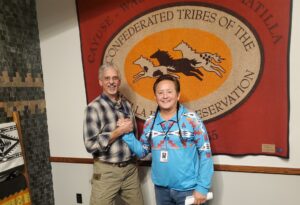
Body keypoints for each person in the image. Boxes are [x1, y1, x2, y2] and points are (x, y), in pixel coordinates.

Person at [122, 74, 214, 205]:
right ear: (155, 96)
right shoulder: (150, 122)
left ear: (178, 95)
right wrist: (126, 134)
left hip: (189, 190)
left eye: (169, 92)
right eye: (160, 93)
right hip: (161, 191)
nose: (165, 96)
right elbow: (142, 151)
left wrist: (202, 187)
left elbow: (205, 153)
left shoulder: (192, 119)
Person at [83, 63, 144, 205]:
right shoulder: (93, 108)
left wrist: (135, 159)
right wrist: (117, 132)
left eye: (115, 78)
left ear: (119, 81)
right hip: (107, 171)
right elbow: (90, 145)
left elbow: (134, 134)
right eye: (107, 78)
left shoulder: (127, 106)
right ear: (100, 82)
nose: (111, 82)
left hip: (130, 170)